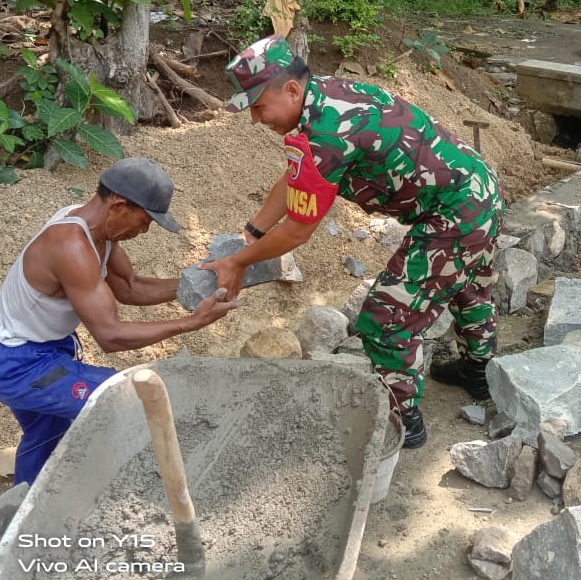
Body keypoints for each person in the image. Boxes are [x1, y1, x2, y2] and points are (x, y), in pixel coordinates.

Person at [206, 35, 504, 449]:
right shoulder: (325, 97)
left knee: (385, 319)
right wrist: (251, 233)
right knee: (467, 288)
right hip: (479, 191)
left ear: (291, 89)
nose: (257, 119)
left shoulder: (328, 133)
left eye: (259, 107)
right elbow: (295, 180)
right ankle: (478, 372)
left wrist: (237, 262)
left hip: (458, 211)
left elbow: (298, 230)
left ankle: (403, 422)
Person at [0, 157, 240, 484]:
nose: (144, 231)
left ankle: (25, 510)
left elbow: (130, 287)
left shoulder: (96, 230)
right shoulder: (71, 246)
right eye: (145, 220)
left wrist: (200, 283)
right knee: (121, 400)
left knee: (47, 436)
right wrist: (190, 323)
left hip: (40, 348)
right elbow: (110, 336)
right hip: (20, 365)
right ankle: (142, 492)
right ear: (119, 205)